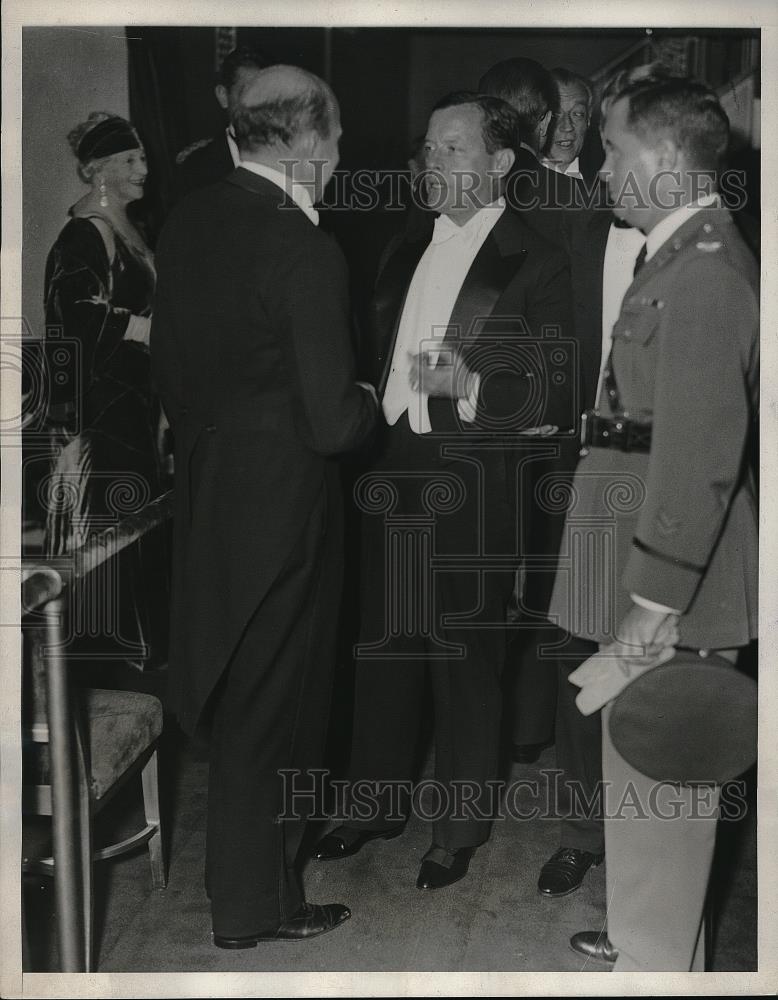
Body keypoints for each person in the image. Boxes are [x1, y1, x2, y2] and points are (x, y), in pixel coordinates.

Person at [311, 92, 575, 890]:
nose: (432, 164)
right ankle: (374, 801)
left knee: (465, 658)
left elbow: (554, 397)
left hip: (473, 478)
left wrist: (467, 387)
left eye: (452, 150)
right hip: (389, 463)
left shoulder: (539, 258)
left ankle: (458, 826)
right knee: (384, 644)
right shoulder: (400, 247)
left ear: (500, 165)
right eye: (428, 148)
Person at [151, 65, 377, 947]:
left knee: (246, 706)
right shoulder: (303, 244)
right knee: (281, 714)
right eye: (340, 137)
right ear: (309, 138)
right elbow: (330, 422)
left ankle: (254, 897)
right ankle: (254, 908)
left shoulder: (191, 216)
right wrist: (371, 398)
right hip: (286, 508)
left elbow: (172, 375)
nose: (344, 153)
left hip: (211, 494)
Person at [547, 72, 758, 970]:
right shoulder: (679, 259)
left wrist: (653, 600)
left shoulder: (704, 273)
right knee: (641, 801)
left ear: (667, 159)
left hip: (671, 589)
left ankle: (657, 966)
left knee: (664, 813)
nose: (600, 170)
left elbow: (699, 453)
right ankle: (651, 948)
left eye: (614, 150)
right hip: (642, 569)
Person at [42, 112, 165, 663]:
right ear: (101, 171)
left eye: (142, 158)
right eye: (131, 160)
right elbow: (76, 321)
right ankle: (102, 668)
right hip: (100, 417)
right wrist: (144, 328)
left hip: (131, 410)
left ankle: (131, 664)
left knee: (133, 535)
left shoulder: (124, 229)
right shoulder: (83, 233)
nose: (145, 168)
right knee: (103, 541)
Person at [174, 45, 269, 198]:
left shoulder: (289, 160)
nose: (257, 104)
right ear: (223, 96)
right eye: (246, 92)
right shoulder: (195, 169)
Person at [541, 68, 600, 185]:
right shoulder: (515, 183)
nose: (567, 127)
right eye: (556, 114)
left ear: (588, 118)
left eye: (577, 114)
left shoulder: (607, 181)